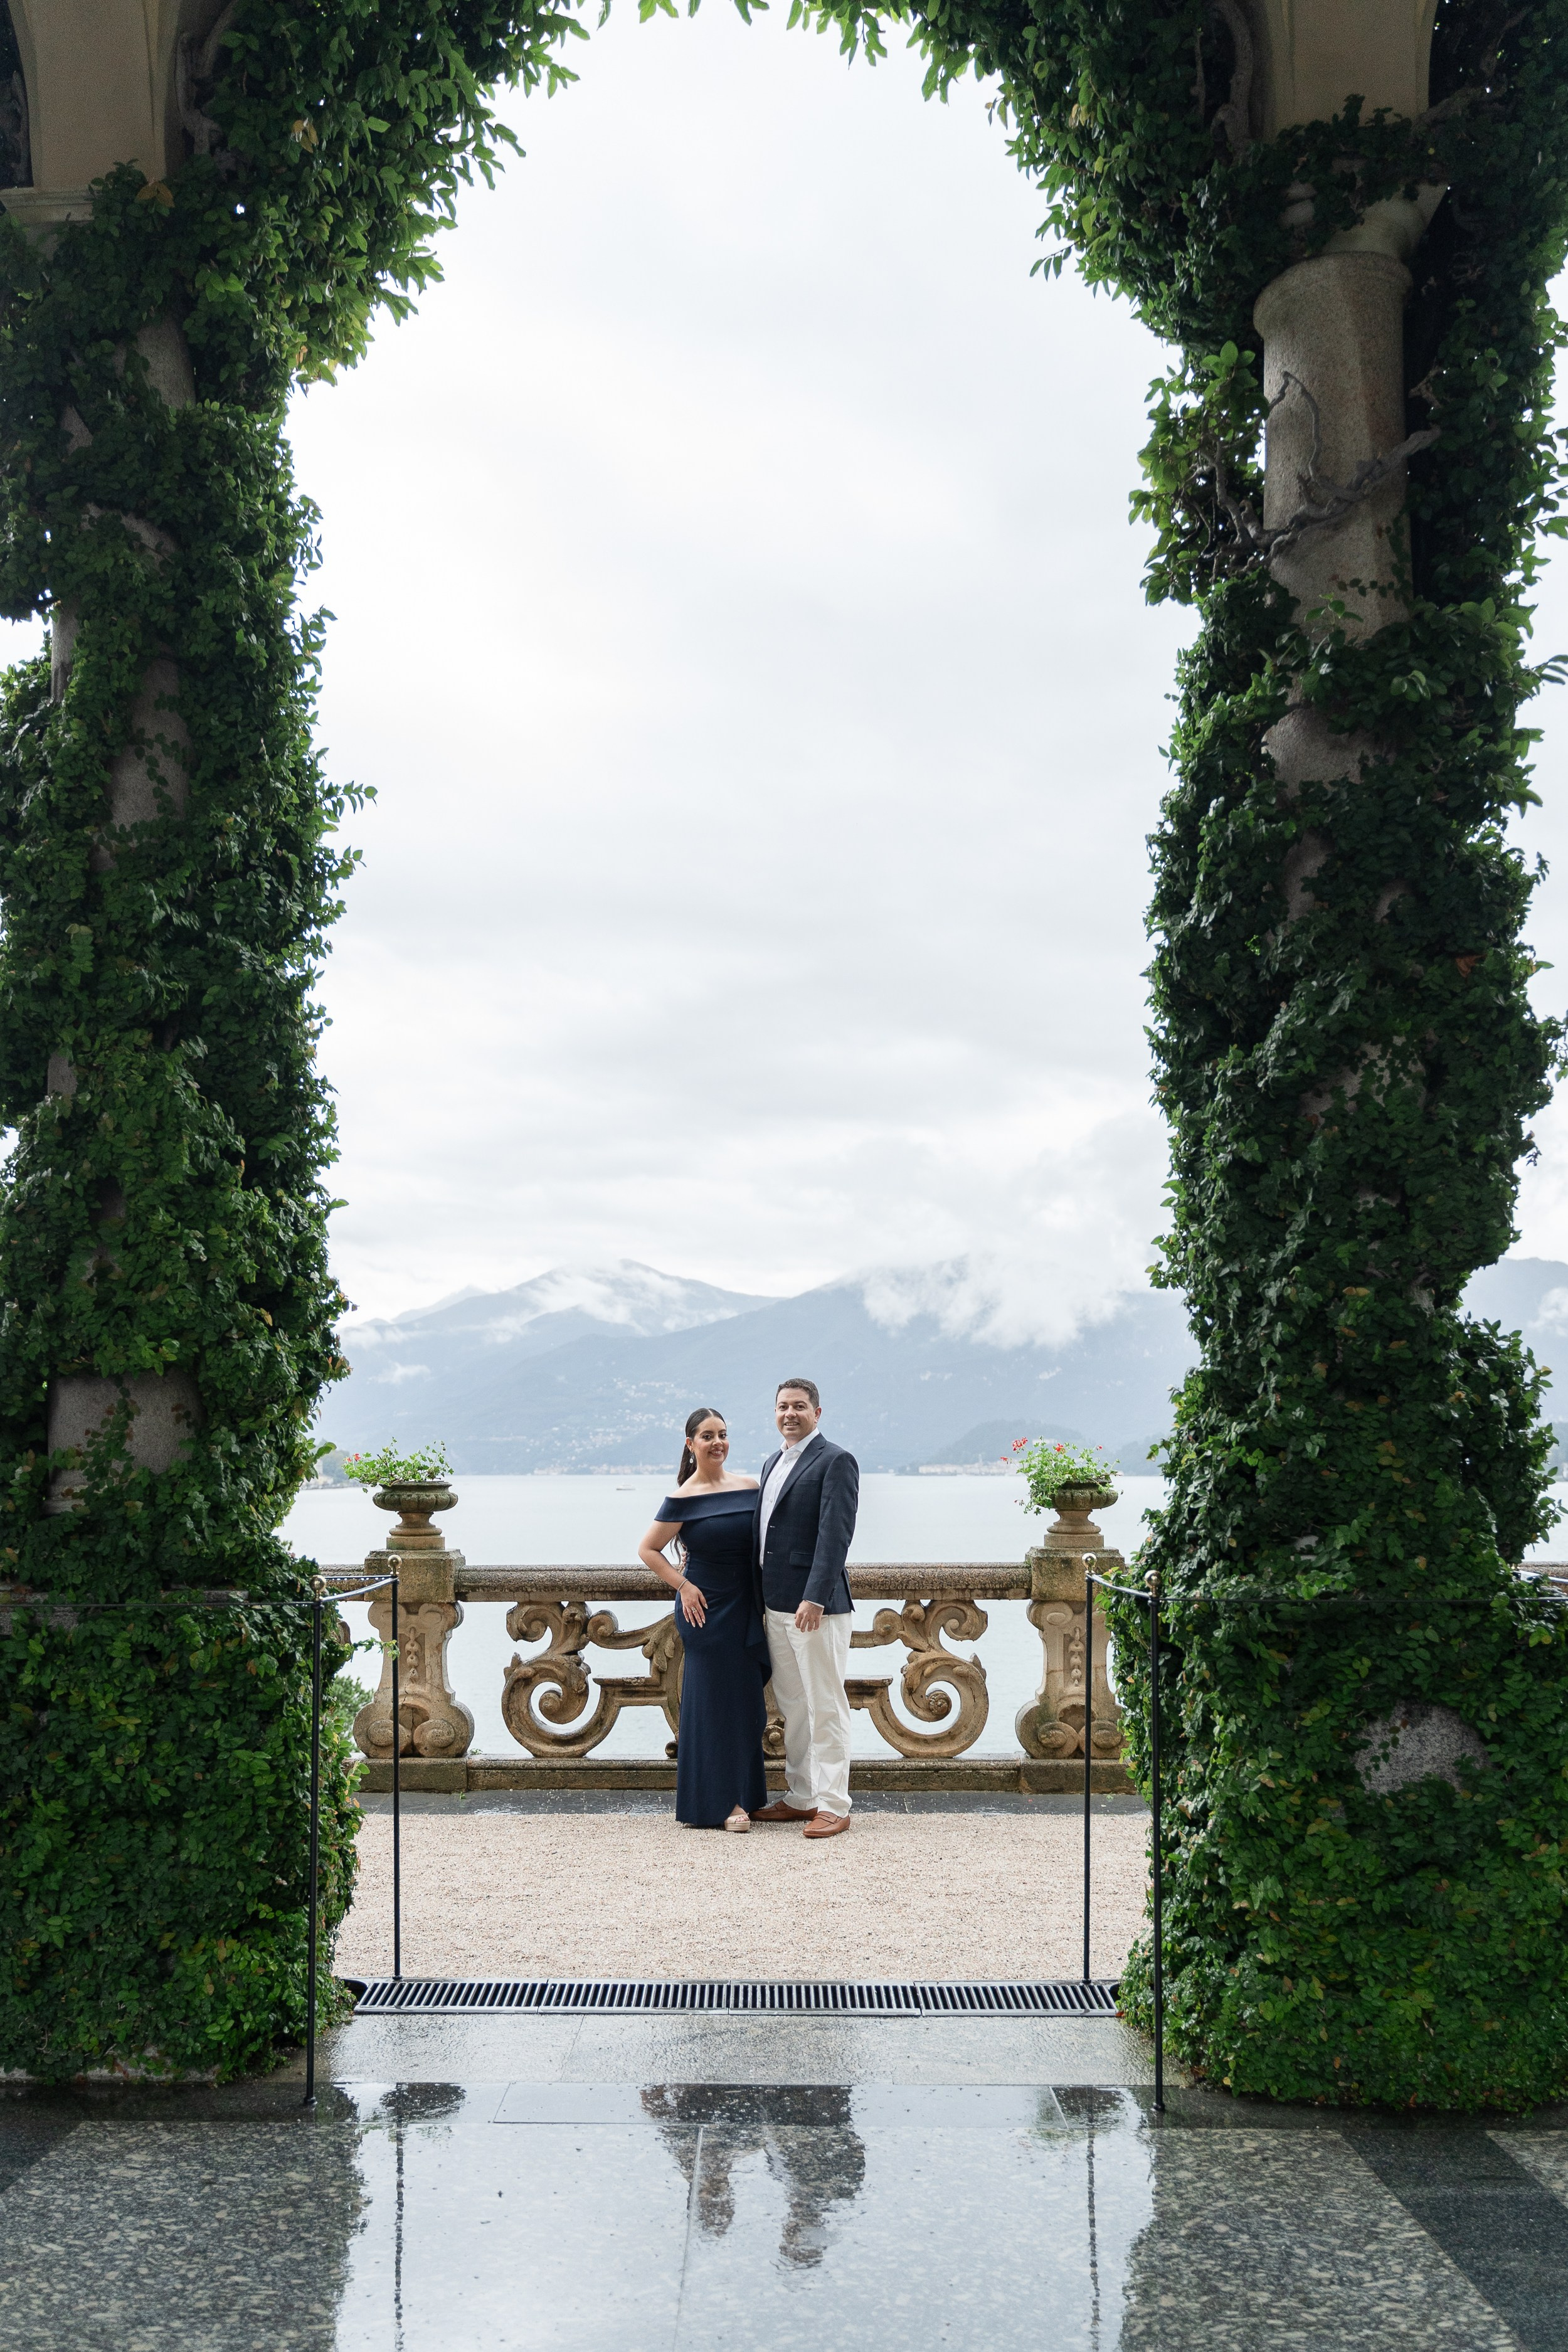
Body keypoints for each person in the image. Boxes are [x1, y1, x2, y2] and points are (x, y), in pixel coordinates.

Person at [638, 1407, 767, 1831]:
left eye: (723, 1434)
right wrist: (684, 1586)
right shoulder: (683, 1498)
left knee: (747, 1706)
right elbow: (649, 1550)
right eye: (708, 1436)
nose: (718, 1443)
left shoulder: (750, 1487)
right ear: (690, 1444)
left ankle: (747, 1795)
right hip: (705, 1612)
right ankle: (723, 1803)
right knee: (712, 1706)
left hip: (745, 1606)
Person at [750, 1379, 859, 1840]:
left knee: (826, 1707)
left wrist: (814, 1597)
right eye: (782, 1406)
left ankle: (835, 1805)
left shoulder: (835, 1460)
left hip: (816, 1609)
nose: (789, 1413)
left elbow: (835, 1535)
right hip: (774, 1605)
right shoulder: (772, 1461)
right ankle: (802, 1797)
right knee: (794, 1707)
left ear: (818, 1412)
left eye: (799, 1406)